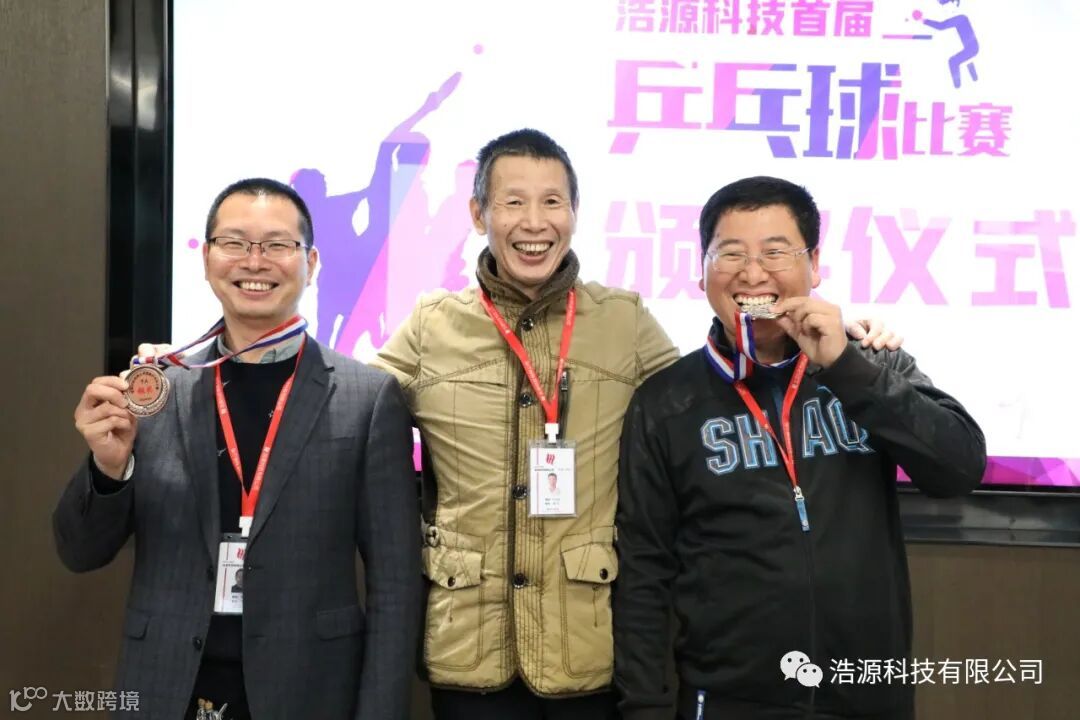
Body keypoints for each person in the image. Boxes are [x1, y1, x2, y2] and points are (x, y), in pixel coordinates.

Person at [372, 131, 903, 719]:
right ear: (478, 214)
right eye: (513, 202)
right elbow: (354, 412)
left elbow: (708, 391)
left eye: (552, 202)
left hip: (585, 649)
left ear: (575, 213)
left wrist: (849, 351)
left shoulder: (622, 321)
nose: (534, 222)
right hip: (469, 647)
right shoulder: (432, 326)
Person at [612, 176, 987, 720]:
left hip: (867, 695)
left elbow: (959, 468)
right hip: (730, 701)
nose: (752, 273)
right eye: (731, 253)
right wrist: (645, 708)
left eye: (775, 252)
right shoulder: (665, 402)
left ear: (814, 264)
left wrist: (847, 368)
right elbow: (644, 573)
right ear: (701, 271)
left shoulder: (871, 362)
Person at [54, 178, 421, 720]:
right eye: (234, 243)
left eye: (277, 244)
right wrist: (109, 470)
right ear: (206, 260)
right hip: (166, 687)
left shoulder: (366, 399)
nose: (255, 261)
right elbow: (79, 552)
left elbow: (394, 588)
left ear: (311, 262)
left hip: (309, 690)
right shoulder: (157, 389)